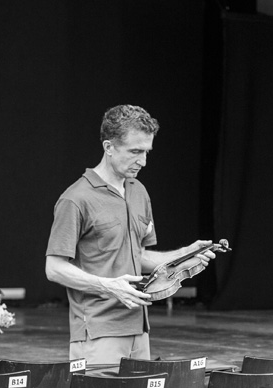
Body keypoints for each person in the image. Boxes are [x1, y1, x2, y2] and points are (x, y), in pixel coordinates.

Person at [45, 104, 216, 366]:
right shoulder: (75, 199)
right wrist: (108, 285)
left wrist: (183, 256)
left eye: (147, 152)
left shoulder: (139, 191)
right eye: (135, 151)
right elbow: (54, 269)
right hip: (97, 332)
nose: (143, 161)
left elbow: (138, 255)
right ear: (109, 147)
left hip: (140, 329)